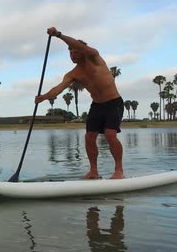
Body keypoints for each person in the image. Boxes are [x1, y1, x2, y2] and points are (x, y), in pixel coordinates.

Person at [35, 27, 124, 179]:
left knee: (110, 135)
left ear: (83, 51)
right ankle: (94, 171)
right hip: (97, 106)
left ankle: (119, 171)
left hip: (113, 103)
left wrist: (58, 35)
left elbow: (81, 46)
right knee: (89, 137)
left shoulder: (94, 57)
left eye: (75, 51)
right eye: (70, 52)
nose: (72, 55)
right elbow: (59, 88)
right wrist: (43, 97)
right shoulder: (73, 73)